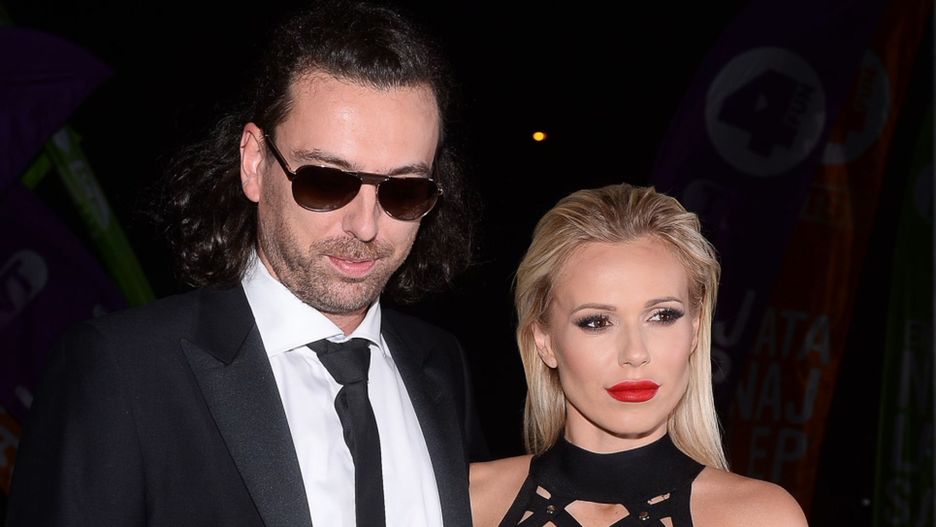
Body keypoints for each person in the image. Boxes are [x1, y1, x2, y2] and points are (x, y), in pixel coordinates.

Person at [6, 1, 486, 526]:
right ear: (254, 162)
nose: (366, 225)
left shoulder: (441, 366)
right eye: (327, 181)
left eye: (404, 190)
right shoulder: (121, 372)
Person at [469, 183, 807, 526]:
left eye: (662, 316)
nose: (635, 353)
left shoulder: (762, 517)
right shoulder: (469, 501)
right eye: (597, 322)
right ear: (544, 341)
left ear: (694, 329)